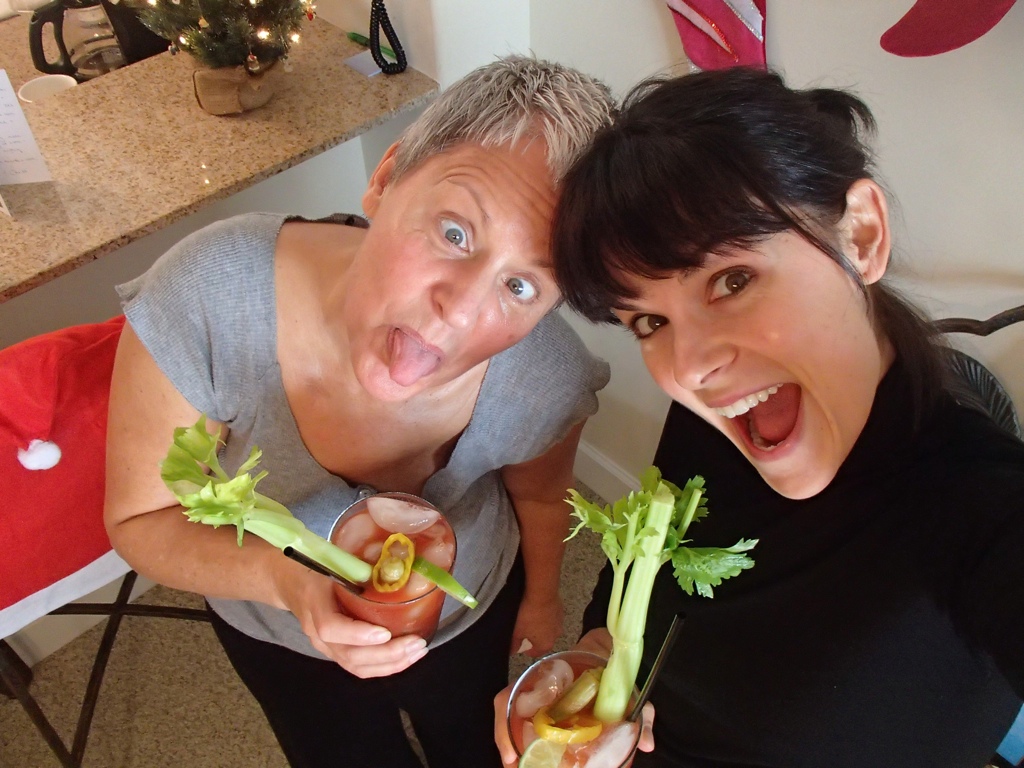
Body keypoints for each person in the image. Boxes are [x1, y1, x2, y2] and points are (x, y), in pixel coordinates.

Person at [496, 66, 1024, 767]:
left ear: (861, 235)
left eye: (732, 280)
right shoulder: (722, 417)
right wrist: (598, 659)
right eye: (649, 321)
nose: (688, 368)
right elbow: (649, 575)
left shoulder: (983, 513)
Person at [104, 55, 616, 768]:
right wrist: (285, 581)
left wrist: (541, 601)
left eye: (522, 286)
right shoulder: (207, 298)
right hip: (283, 636)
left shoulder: (545, 375)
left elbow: (538, 495)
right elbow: (140, 520)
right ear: (386, 177)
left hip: (471, 614)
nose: (460, 310)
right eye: (455, 233)